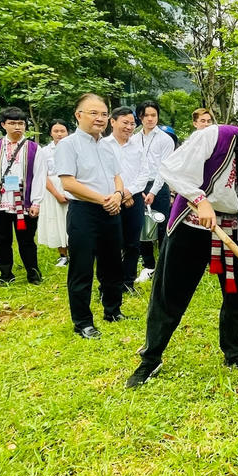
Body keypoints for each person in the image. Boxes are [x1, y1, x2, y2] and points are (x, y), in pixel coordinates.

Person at [126, 103, 238, 386]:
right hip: (193, 221)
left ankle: (236, 354)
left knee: (237, 292)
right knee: (171, 292)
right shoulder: (215, 136)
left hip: (233, 228)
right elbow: (173, 169)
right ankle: (151, 357)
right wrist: (200, 200)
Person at [54, 94, 128, 339]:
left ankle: (113, 310)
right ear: (79, 115)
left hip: (111, 210)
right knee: (82, 267)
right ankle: (83, 322)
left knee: (112, 264)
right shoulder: (68, 144)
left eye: (104, 114)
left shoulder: (107, 146)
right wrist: (102, 199)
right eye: (93, 113)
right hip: (84, 212)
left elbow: (117, 175)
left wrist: (117, 194)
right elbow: (68, 183)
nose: (100, 118)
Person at [0, 106, 46, 285]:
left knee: (26, 240)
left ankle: (33, 274)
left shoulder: (35, 149)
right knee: (2, 240)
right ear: (4, 125)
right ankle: (6, 275)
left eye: (21, 123)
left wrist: (36, 202)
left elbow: (39, 176)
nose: (17, 127)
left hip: (24, 202)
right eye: (12, 123)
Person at [132, 100, 176, 284]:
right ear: (140, 117)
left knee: (161, 227)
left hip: (159, 187)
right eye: (146, 115)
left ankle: (164, 266)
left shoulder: (165, 139)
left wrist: (154, 192)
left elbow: (164, 169)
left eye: (154, 115)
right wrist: (139, 189)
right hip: (138, 187)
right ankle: (148, 265)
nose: (150, 119)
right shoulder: (134, 139)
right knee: (143, 227)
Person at [106, 107, 146, 293]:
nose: (129, 127)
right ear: (112, 122)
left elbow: (144, 174)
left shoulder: (138, 147)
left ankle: (128, 282)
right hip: (109, 200)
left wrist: (128, 192)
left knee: (132, 244)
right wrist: (118, 194)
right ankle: (109, 284)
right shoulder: (103, 146)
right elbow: (101, 174)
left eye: (132, 124)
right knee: (111, 244)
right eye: (125, 123)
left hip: (134, 199)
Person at [37, 120, 71, 267]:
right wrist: (57, 194)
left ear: (68, 132)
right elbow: (42, 175)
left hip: (72, 188)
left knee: (71, 221)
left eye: (62, 131)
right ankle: (63, 255)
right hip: (52, 191)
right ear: (51, 133)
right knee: (56, 221)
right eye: (56, 131)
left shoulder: (74, 148)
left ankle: (76, 251)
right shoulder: (44, 151)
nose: (59, 134)